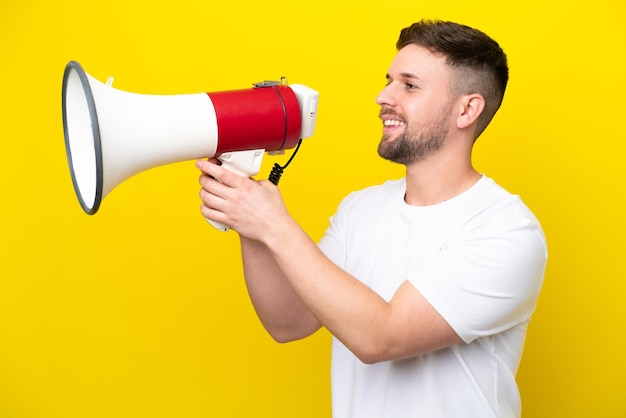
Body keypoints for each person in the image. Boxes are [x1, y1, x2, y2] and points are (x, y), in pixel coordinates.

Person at [196, 19, 547, 418]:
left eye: (409, 85)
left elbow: (382, 338)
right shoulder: (360, 209)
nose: (384, 96)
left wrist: (273, 224)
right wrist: (250, 221)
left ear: (467, 109)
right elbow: (289, 322)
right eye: (388, 80)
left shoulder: (505, 231)